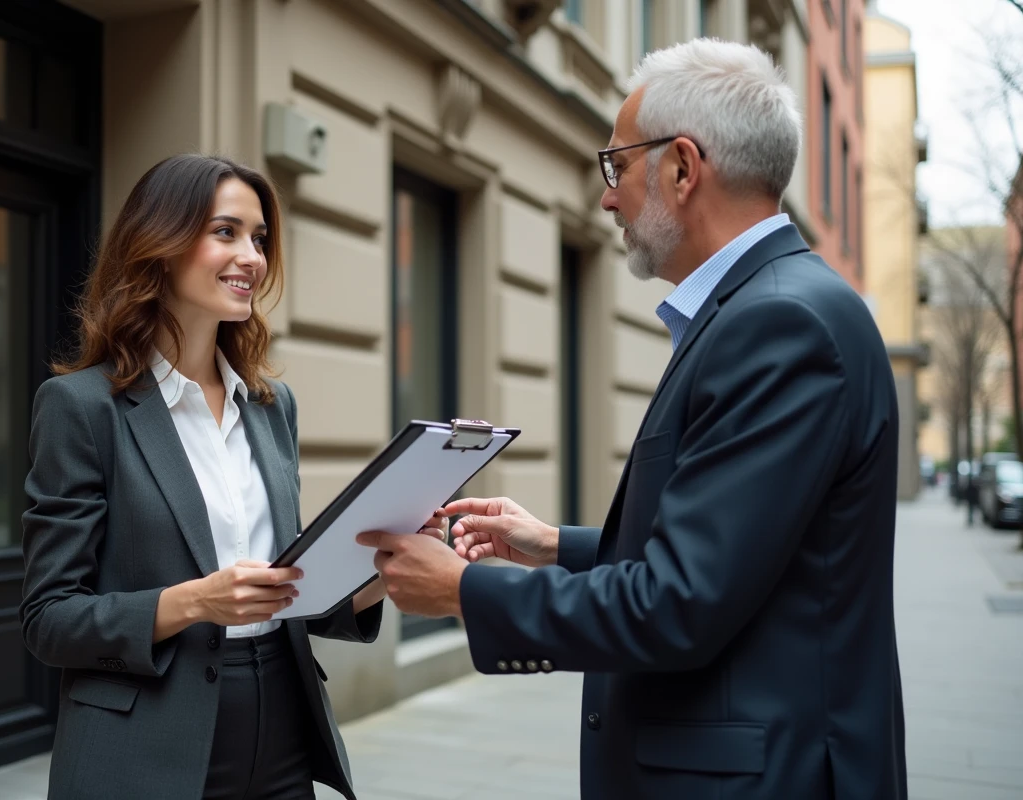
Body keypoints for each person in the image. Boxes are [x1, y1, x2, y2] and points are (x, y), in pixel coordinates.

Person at [357, 39, 907, 800]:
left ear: (683, 168)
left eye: (617, 165)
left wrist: (461, 591)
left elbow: (679, 605)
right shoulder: (777, 306)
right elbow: (743, 556)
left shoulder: (778, 323)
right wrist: (554, 547)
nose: (607, 197)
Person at [20, 153, 446, 800]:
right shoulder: (82, 408)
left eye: (259, 239)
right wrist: (194, 602)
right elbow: (49, 619)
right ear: (158, 245)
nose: (252, 256)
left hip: (280, 727)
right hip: (146, 745)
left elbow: (290, 591)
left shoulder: (273, 408)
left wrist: (377, 569)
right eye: (226, 232)